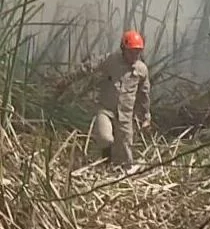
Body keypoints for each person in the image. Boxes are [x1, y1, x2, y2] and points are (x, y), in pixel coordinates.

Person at [58, 30, 151, 170]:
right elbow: (89, 67)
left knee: (126, 156)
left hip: (125, 117)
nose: (134, 56)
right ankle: (105, 162)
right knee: (105, 138)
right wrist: (67, 80)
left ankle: (116, 175)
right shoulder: (111, 60)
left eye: (137, 52)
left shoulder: (141, 69)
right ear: (123, 49)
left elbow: (144, 95)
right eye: (131, 52)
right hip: (105, 110)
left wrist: (145, 116)